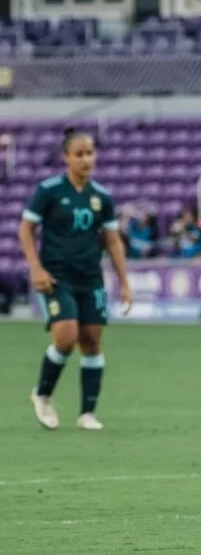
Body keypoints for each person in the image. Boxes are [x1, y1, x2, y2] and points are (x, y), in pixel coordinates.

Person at [18, 128, 133, 431]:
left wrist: (124, 282)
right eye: (79, 154)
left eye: (90, 153)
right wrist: (36, 268)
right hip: (57, 277)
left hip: (90, 277)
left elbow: (112, 241)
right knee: (66, 336)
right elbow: (26, 229)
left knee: (92, 340)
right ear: (66, 157)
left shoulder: (101, 197)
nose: (86, 159)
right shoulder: (49, 191)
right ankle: (42, 395)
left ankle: (87, 413)